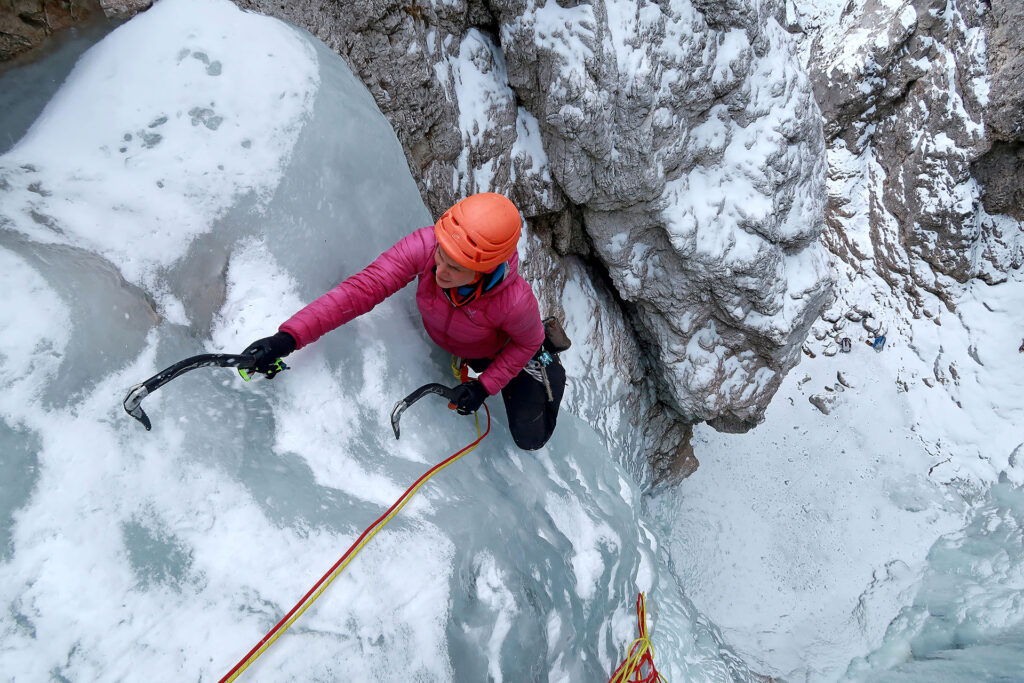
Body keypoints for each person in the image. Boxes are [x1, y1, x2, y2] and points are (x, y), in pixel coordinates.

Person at [242, 192, 566, 450]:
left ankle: (548, 363)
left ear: (486, 271)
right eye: (442, 254)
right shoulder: (425, 247)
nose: (440, 271)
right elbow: (362, 290)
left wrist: (484, 387)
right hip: (470, 342)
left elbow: (525, 340)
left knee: (529, 437)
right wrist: (288, 338)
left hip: (513, 348)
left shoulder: (515, 303)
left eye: (456, 267)